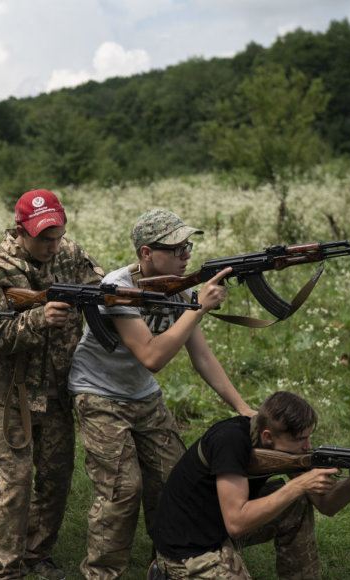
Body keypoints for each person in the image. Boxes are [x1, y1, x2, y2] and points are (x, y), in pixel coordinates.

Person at [68, 208, 254, 580]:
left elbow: (200, 356)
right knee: (122, 490)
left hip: (143, 396)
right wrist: (199, 307)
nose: (186, 254)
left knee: (175, 480)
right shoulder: (116, 288)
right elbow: (152, 356)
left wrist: (242, 407)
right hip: (98, 394)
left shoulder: (179, 288)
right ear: (145, 253)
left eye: (188, 246)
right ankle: (102, 573)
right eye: (175, 248)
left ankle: (168, 563)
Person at [0, 189, 105, 580]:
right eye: (43, 237)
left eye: (57, 235)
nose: (52, 244)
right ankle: (4, 568)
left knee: (55, 481)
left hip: (60, 390)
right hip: (12, 394)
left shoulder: (71, 254)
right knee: (16, 484)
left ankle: (37, 554)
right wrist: (37, 319)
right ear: (20, 230)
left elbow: (100, 287)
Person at [151, 391, 350, 579]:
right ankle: (164, 572)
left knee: (297, 503)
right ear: (268, 436)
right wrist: (298, 485)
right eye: (301, 439)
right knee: (295, 494)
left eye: (309, 436)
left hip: (219, 528)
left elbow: (327, 505)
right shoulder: (230, 441)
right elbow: (236, 523)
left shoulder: (284, 448)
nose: (307, 446)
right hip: (186, 546)